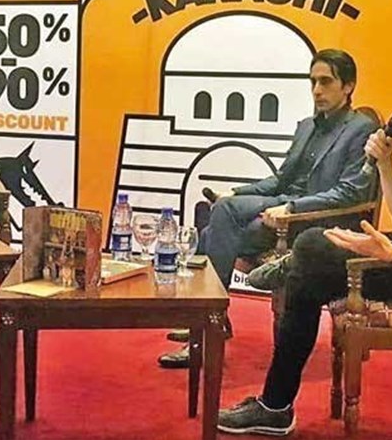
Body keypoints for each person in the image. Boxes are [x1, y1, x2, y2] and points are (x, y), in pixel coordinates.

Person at [217, 37, 392, 436]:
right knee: (313, 259)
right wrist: (385, 165)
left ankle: (276, 403)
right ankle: (275, 402)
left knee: (312, 248)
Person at [158, 49, 379, 369]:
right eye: (313, 82)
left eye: (326, 82)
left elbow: (349, 194)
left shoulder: (361, 128)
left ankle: (206, 329)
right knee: (216, 218)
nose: (317, 90)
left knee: (216, 226)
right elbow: (280, 180)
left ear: (348, 86)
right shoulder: (307, 126)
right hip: (282, 206)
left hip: (316, 220)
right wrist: (236, 192)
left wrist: (291, 207)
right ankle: (210, 324)